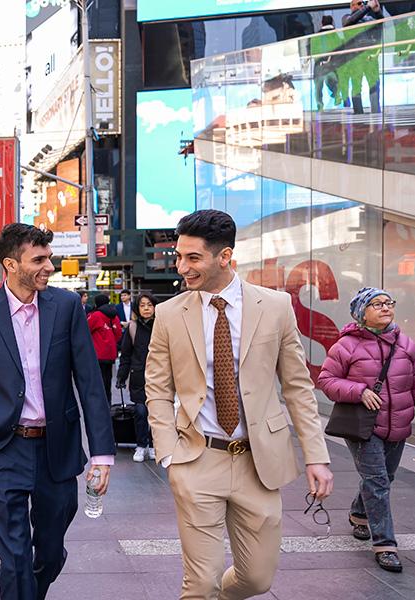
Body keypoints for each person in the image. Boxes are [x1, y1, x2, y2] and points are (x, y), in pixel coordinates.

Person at [145, 209, 333, 599]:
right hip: (196, 458)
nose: (182, 267)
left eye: (193, 258)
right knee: (201, 583)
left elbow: (298, 388)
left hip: (259, 462)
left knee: (256, 579)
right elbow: (157, 388)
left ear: (225, 256)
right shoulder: (169, 314)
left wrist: (317, 456)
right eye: (179, 256)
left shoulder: (276, 306)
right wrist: (168, 453)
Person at [0, 223, 115, 600]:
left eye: (49, 257)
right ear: (11, 265)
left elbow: (89, 381)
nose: (49, 266)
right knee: (14, 560)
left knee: (49, 554)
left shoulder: (66, 306)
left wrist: (102, 454)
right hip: (1, 448)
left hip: (56, 449)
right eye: (39, 259)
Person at [317, 287, 415, 573]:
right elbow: (326, 380)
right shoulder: (346, 345)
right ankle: (385, 545)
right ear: (362, 313)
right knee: (378, 482)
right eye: (377, 304)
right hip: (364, 427)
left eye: (388, 303)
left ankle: (359, 513)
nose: (385, 307)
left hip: (398, 425)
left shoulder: (406, 345)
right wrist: (359, 391)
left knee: (385, 478)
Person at [116, 293, 157, 463]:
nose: (146, 308)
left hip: (159, 377)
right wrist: (121, 376)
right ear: (137, 308)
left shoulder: (162, 325)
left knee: (156, 412)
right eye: (142, 305)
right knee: (140, 411)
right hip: (138, 376)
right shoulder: (132, 328)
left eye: (149, 305)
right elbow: (126, 355)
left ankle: (154, 445)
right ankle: (141, 445)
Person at [340, 0, 383, 114]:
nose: (362, 5)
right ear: (352, 6)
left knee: (374, 84)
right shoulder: (346, 17)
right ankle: (358, 112)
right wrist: (367, 7)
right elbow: (350, 22)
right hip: (355, 57)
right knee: (356, 85)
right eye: (359, 3)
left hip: (370, 56)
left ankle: (376, 111)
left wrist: (377, 12)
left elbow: (380, 24)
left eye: (363, 3)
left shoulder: (369, 19)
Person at [87, 294, 122, 405]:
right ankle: (108, 402)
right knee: (108, 378)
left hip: (98, 353)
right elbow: (118, 334)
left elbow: (86, 330)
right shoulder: (114, 315)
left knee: (99, 379)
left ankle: (100, 404)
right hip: (110, 353)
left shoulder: (96, 315)